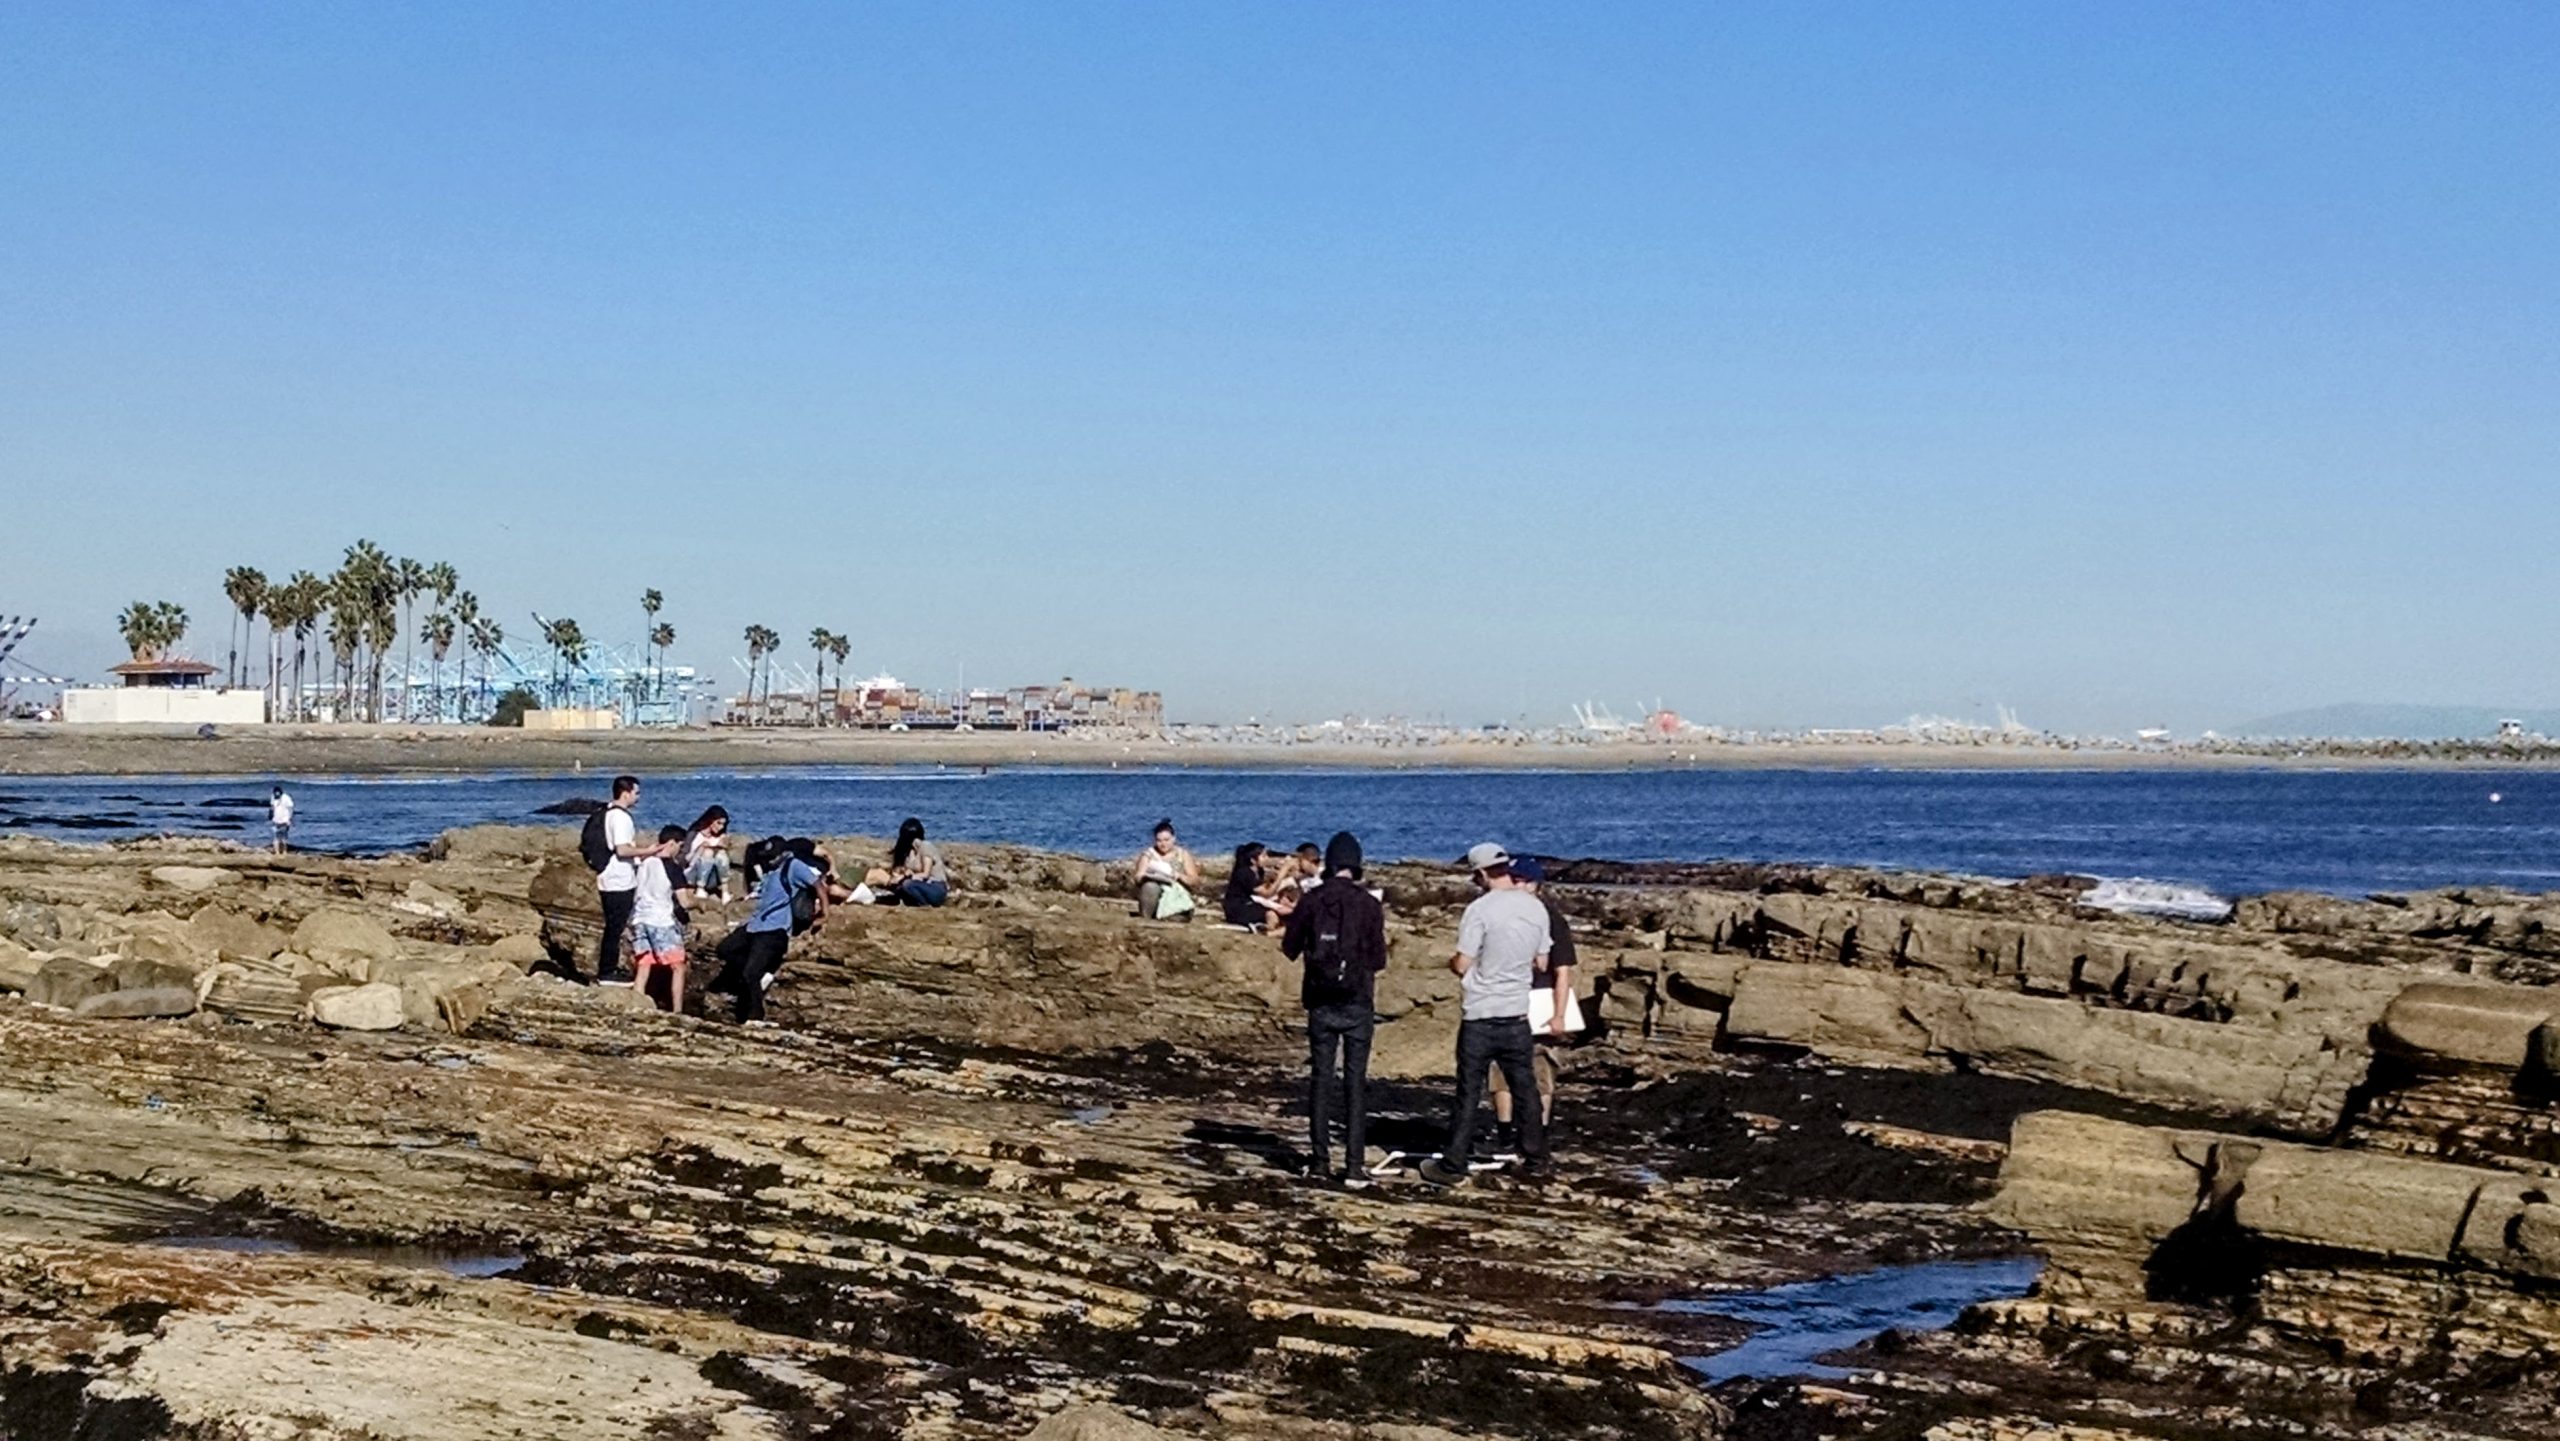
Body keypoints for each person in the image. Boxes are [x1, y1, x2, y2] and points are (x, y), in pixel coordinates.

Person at [1419, 843, 1552, 1187]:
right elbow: (1542, 962)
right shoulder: (1537, 908)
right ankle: (1536, 1157)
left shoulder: (1479, 910)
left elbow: (1462, 962)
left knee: (1468, 1090)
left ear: (1480, 874)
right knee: (1525, 1086)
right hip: (1517, 1012)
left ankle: (1454, 1163)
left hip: (1481, 1012)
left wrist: (1457, 965)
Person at [1283, 831, 1388, 1187]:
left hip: (1320, 999)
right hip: (1358, 1000)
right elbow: (1378, 959)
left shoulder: (1313, 900)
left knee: (1321, 1079)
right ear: (1356, 866)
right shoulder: (1370, 905)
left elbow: (1290, 946)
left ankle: (1320, 1160)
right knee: (1356, 1081)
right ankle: (1355, 1165)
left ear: (1329, 863)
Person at [1486, 857, 1579, 1158]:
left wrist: (1559, 1014)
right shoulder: (1503, 913)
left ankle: (1537, 1135)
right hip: (1506, 1000)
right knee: (1500, 1069)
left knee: (1540, 1069)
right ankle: (1504, 1134)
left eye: (1517, 880)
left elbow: (1562, 970)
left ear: (1532, 884)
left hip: (1539, 1002)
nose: (1511, 885)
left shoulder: (1551, 919)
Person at [718, 836, 829, 1026]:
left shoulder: (793, 866)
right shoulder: (770, 871)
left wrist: (824, 914)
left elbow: (818, 885)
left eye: (772, 856)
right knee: (725, 949)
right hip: (756, 925)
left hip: (775, 930)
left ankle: (755, 1017)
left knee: (750, 973)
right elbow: (762, 893)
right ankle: (757, 975)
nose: (768, 860)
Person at [630, 824, 697, 1013]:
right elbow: (684, 902)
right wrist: (700, 903)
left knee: (644, 964)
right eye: (680, 846)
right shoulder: (672, 868)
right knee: (678, 966)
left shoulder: (645, 862)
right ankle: (677, 1010)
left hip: (640, 918)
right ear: (671, 843)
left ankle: (637, 1003)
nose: (680, 850)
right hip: (660, 921)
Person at [592, 776, 646, 985]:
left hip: (609, 877)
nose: (638, 797)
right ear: (626, 793)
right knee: (615, 926)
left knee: (614, 925)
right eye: (637, 792)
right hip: (618, 879)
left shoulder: (607, 813)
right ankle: (607, 972)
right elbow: (622, 849)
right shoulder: (621, 817)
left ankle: (608, 969)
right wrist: (648, 851)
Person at [864, 817, 951, 906]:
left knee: (907, 884)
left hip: (934, 886)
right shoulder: (908, 854)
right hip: (917, 884)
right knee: (899, 886)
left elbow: (926, 874)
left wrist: (905, 877)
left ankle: (923, 905)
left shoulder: (926, 847)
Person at [1132, 819, 1201, 921]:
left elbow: (1194, 880)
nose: (1163, 844)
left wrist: (1179, 876)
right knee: (1150, 887)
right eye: (1159, 841)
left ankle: (1174, 914)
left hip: (1176, 895)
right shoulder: (1148, 855)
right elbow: (1138, 876)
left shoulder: (1182, 855)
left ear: (1173, 839)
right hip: (1155, 895)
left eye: (1166, 840)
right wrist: (1147, 876)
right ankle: (1147, 917)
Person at [683, 806, 733, 902]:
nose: (721, 827)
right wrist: (701, 848)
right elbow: (687, 859)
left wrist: (723, 845)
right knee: (708, 852)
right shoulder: (695, 834)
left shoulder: (720, 836)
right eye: (718, 823)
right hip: (694, 872)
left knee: (720, 853)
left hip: (712, 875)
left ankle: (725, 891)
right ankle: (700, 889)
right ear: (710, 820)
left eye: (723, 824)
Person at [1221, 843, 1271, 928]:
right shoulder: (1245, 873)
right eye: (1264, 856)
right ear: (1253, 860)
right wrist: (1283, 874)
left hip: (1247, 903)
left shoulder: (1259, 871)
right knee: (1271, 913)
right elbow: (1266, 893)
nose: (1267, 859)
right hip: (1237, 908)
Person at [269, 785, 294, 855]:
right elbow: (272, 807)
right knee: (276, 838)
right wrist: (270, 815)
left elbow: (290, 809)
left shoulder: (286, 798)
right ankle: (277, 852)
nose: (276, 795)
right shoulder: (273, 798)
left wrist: (290, 819)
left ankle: (284, 851)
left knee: (284, 838)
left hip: (284, 821)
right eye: (275, 793)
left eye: (278, 793)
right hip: (276, 821)